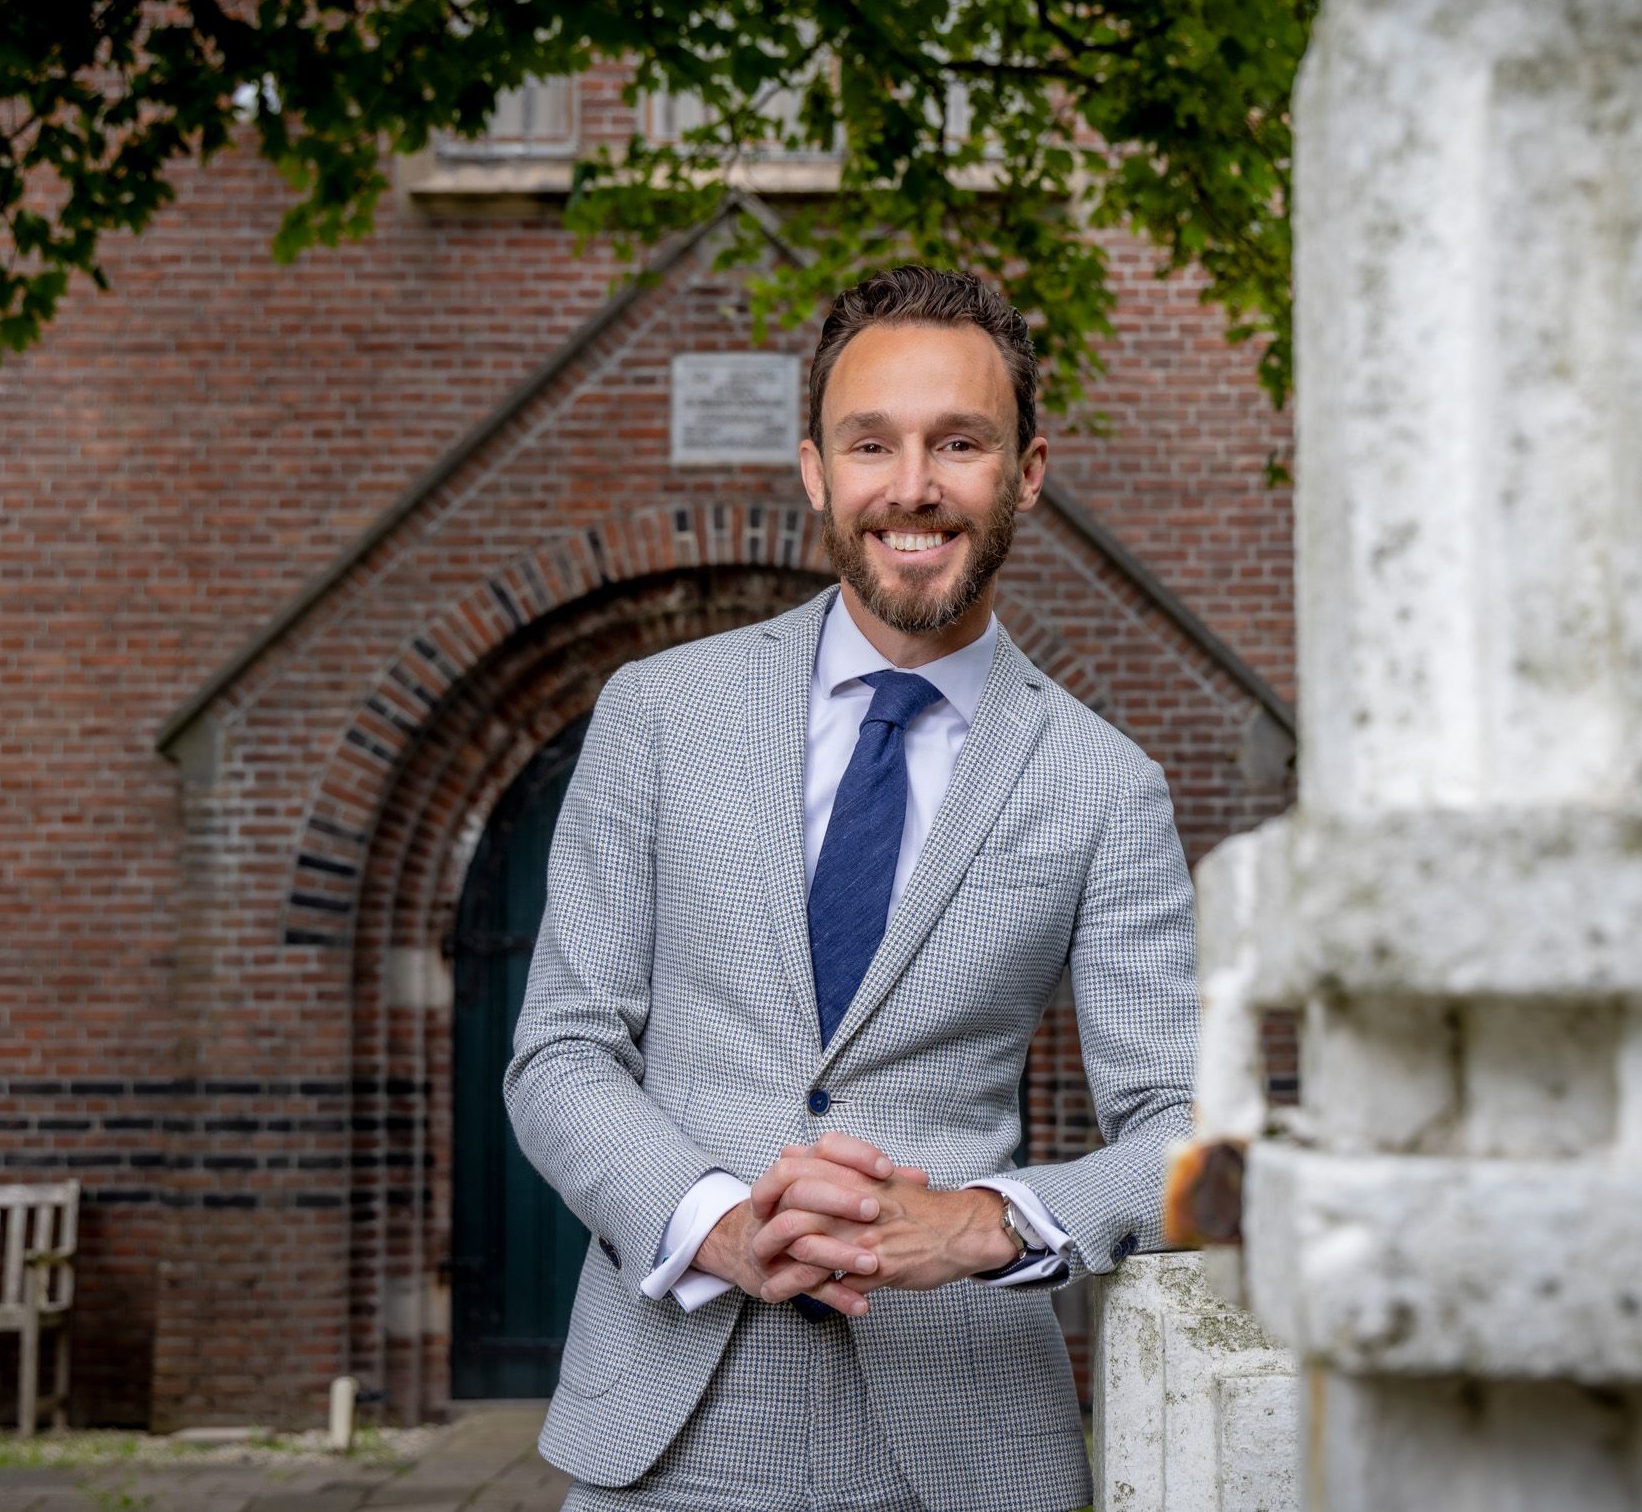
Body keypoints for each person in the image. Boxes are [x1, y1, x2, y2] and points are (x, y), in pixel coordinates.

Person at [504, 265, 1197, 1512]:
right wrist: (712, 1219)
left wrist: (990, 1222)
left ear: (1026, 472)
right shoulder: (659, 717)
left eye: (960, 443)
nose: (912, 486)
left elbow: (1188, 1133)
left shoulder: (1106, 784)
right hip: (670, 1431)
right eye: (870, 443)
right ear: (818, 471)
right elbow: (559, 1051)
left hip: (967, 1439)